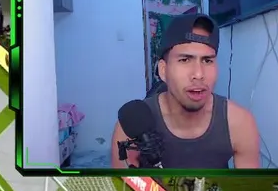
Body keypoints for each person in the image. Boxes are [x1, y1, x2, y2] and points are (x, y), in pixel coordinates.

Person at [110, 13, 260, 169]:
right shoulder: (132, 126)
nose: (199, 74)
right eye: (185, 60)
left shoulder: (239, 123)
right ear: (163, 70)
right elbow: (125, 183)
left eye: (207, 60)